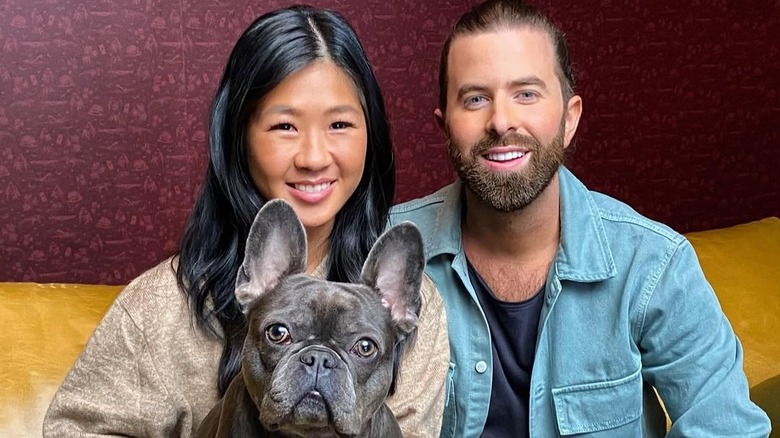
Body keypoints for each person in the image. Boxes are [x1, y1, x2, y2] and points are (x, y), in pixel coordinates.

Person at [43, 6, 449, 437]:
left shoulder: (408, 303)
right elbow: (75, 429)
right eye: (285, 126)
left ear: (372, 135)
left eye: (339, 124)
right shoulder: (161, 306)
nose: (313, 157)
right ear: (239, 136)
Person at [389, 0, 771, 436]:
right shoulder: (387, 249)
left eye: (526, 94)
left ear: (569, 120)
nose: (501, 121)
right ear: (445, 126)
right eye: (475, 98)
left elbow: (727, 427)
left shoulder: (653, 265)